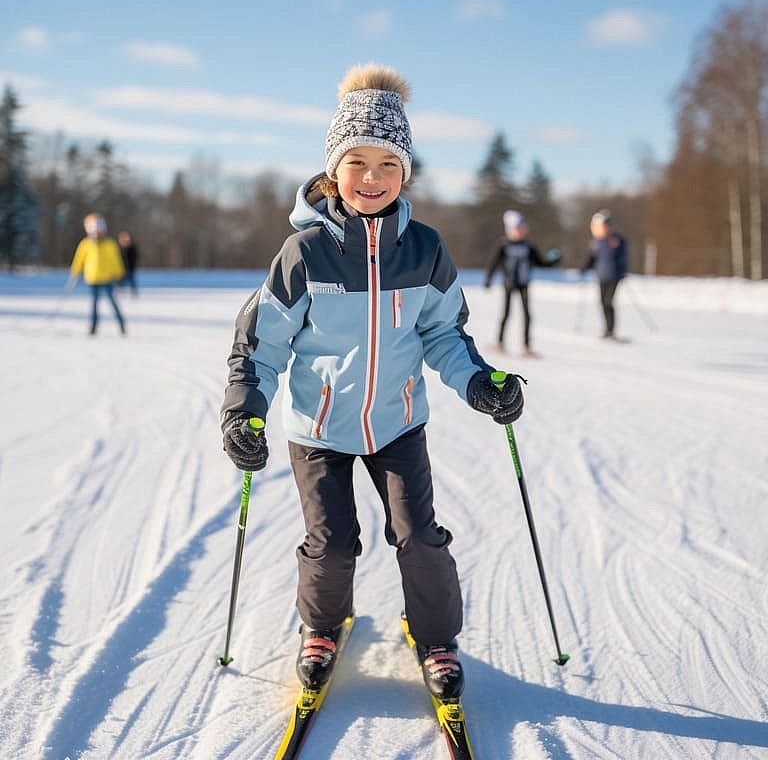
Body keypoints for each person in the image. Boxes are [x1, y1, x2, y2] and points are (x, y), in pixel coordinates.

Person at [219, 64, 524, 702]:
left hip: (397, 422)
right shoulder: (303, 255)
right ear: (335, 171)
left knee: (419, 537)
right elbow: (261, 344)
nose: (373, 178)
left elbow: (445, 335)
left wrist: (482, 384)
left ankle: (436, 637)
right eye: (358, 162)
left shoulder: (426, 249)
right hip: (319, 429)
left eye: (389, 165)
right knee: (332, 545)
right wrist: (244, 413)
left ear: (404, 174)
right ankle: (322, 629)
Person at [484, 210, 561, 356]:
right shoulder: (503, 244)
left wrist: (553, 261)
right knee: (506, 313)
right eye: (520, 227)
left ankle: (526, 346)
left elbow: (540, 263)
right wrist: (488, 278)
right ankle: (500, 342)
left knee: (527, 314)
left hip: (524, 283)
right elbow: (493, 262)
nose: (523, 230)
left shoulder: (529, 246)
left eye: (523, 227)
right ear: (511, 229)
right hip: (509, 283)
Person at [69, 213, 126, 336]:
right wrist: (75, 272)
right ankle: (93, 327)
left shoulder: (110, 244)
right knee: (94, 305)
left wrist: (119, 274)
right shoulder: (86, 244)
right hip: (92, 278)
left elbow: (116, 260)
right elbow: (79, 259)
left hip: (107, 279)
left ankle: (121, 323)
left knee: (113, 302)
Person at [581, 209, 628, 339]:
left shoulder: (616, 240)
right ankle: (606, 330)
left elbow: (622, 257)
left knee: (608, 301)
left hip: (614, 275)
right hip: (602, 275)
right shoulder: (596, 242)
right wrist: (585, 267)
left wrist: (623, 271)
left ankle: (611, 330)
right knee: (602, 302)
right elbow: (593, 257)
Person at [117, 229, 139, 296]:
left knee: (131, 280)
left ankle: (134, 292)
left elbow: (135, 257)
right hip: (121, 268)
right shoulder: (119, 248)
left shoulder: (132, 247)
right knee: (120, 281)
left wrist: (133, 265)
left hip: (130, 268)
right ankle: (120, 291)